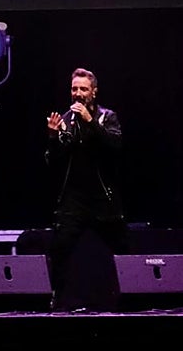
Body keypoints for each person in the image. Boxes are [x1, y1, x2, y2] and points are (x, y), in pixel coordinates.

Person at [43, 67, 128, 310]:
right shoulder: (65, 119)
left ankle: (128, 298)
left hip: (103, 197)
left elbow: (114, 147)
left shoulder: (106, 117)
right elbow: (53, 161)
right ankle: (56, 301)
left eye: (83, 89)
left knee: (121, 248)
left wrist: (91, 123)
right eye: (74, 89)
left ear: (94, 92)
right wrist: (52, 137)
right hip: (74, 198)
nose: (78, 94)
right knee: (60, 250)